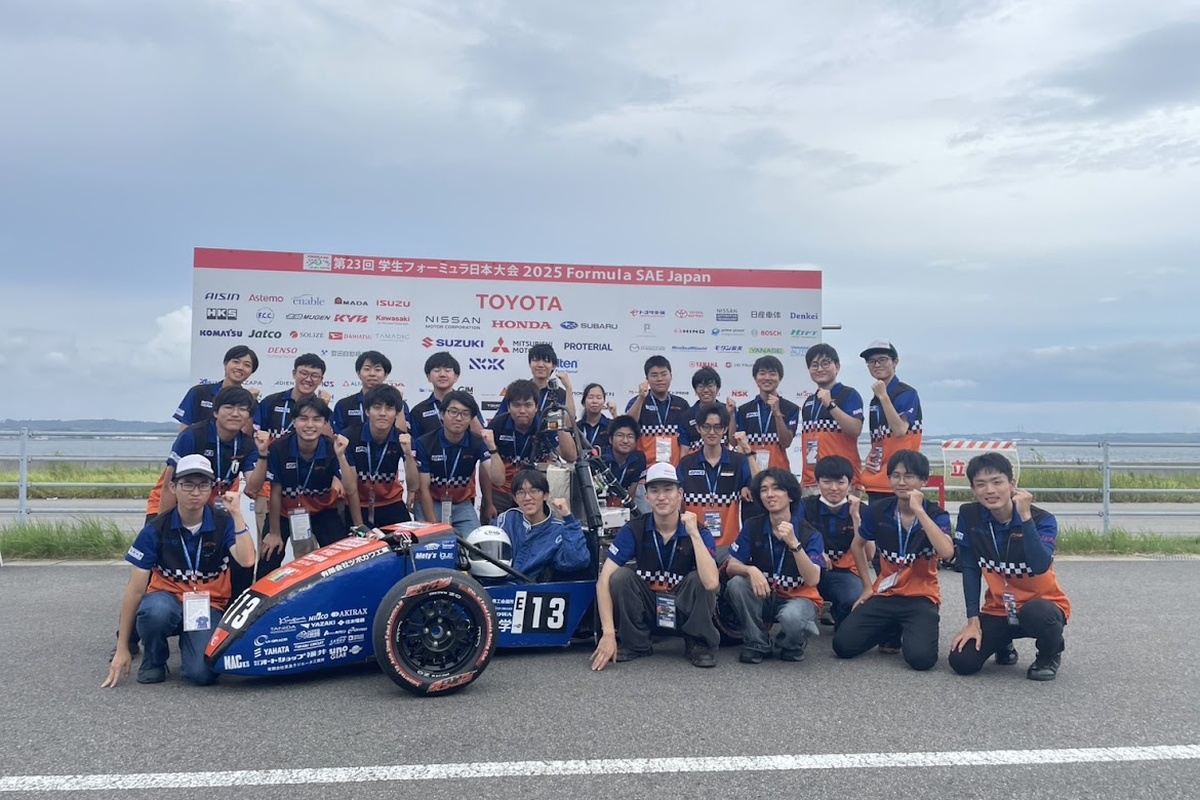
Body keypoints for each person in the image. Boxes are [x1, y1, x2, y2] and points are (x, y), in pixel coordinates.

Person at [102, 456, 256, 687]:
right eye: (188, 485)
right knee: (155, 611)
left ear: (211, 489)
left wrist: (237, 514)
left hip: (208, 605)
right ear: (173, 487)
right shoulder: (156, 529)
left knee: (202, 675)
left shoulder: (224, 522)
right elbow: (134, 592)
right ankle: (154, 660)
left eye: (203, 485)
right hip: (167, 599)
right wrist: (122, 647)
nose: (195, 492)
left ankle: (191, 643)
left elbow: (247, 560)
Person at [948, 453, 1072, 681]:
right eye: (981, 484)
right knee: (962, 661)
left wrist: (1025, 517)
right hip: (999, 608)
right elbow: (970, 568)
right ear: (973, 489)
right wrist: (973, 620)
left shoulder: (1042, 520)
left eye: (997, 482)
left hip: (1042, 606)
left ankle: (1049, 655)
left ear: (1012, 484)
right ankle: (1002, 642)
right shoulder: (969, 515)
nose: (990, 490)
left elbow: (1040, 565)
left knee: (1038, 614)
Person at [590, 462, 721, 669]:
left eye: (668, 490)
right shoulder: (634, 529)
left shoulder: (700, 531)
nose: (661, 497)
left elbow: (712, 583)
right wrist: (608, 634)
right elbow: (603, 581)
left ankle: (698, 641)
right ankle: (636, 643)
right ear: (647, 497)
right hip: (650, 608)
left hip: (683, 609)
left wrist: (694, 534)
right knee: (620, 576)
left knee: (700, 578)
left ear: (680, 494)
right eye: (654, 491)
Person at [832, 451, 954, 671]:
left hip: (921, 596)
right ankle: (891, 626)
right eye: (895, 476)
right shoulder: (879, 510)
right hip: (886, 593)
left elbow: (946, 552)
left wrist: (919, 511)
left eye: (909, 476)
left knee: (921, 660)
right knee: (843, 645)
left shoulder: (936, 514)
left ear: (924, 480)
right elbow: (857, 545)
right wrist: (867, 587)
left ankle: (906, 626)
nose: (901, 482)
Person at [725, 468, 826, 663]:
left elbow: (813, 579)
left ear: (790, 496)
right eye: (764, 490)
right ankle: (757, 642)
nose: (770, 494)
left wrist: (794, 544)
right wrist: (750, 570)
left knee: (793, 617)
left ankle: (790, 643)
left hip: (798, 598)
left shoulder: (810, 534)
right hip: (765, 595)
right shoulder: (752, 526)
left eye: (777, 488)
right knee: (736, 584)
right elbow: (731, 566)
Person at [260, 397, 362, 575]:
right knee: (268, 557)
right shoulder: (279, 448)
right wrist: (274, 533)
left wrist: (341, 456)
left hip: (323, 511)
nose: (310, 425)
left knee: (342, 561)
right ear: (294, 422)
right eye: (303, 419)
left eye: (316, 419)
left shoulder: (333, 448)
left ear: (325, 423)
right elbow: (275, 491)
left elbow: (351, 488)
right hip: (285, 512)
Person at [252, 354, 333, 541]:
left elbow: (329, 444)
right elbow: (252, 436)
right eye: (304, 373)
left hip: (307, 489)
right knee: (269, 546)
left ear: (321, 380)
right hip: (270, 486)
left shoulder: (323, 408)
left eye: (314, 375)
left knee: (306, 552)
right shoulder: (271, 402)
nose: (308, 379)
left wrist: (324, 407)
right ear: (294, 373)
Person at [413, 390, 504, 537]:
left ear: (471, 418)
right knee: (433, 543)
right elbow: (423, 488)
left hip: (462, 505)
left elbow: (499, 480)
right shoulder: (424, 443)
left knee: (476, 544)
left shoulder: (477, 442)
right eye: (453, 412)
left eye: (465, 414)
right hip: (432, 502)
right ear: (442, 414)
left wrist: (492, 448)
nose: (459, 418)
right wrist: (434, 527)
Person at [488, 379, 578, 517]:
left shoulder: (545, 423)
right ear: (508, 407)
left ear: (536, 407)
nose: (522, 411)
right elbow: (489, 469)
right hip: (502, 493)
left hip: (534, 495)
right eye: (516, 405)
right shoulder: (497, 425)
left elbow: (570, 456)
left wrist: (560, 426)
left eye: (528, 405)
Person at [675, 404, 756, 548]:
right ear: (698, 429)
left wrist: (748, 451)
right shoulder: (686, 463)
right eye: (706, 427)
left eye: (717, 427)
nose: (712, 432)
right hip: (694, 543)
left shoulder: (738, 461)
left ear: (725, 430)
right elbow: (676, 500)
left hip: (729, 544)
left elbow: (758, 486)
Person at [802, 455, 865, 629]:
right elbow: (794, 537)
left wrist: (856, 517)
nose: (834, 488)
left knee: (853, 596)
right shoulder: (804, 506)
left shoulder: (861, 509)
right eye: (827, 482)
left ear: (850, 484)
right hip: (807, 570)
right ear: (817, 482)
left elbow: (870, 554)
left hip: (844, 573)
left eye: (840, 482)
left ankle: (840, 619)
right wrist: (818, 554)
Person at [492, 469, 590, 581]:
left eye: (533, 491)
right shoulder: (507, 519)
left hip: (533, 588)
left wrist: (568, 517)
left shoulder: (559, 530)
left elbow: (578, 561)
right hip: (498, 585)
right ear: (515, 498)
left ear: (545, 495)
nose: (527, 498)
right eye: (521, 492)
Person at [343, 385, 418, 528]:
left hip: (390, 502)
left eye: (389, 409)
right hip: (358, 503)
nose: (383, 413)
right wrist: (360, 526)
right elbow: (351, 489)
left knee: (408, 539)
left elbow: (414, 485)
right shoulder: (350, 437)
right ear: (367, 411)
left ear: (397, 413)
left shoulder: (402, 438)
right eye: (377, 408)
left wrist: (408, 454)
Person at [859, 341, 923, 503]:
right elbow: (880, 439)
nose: (877, 365)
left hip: (899, 483)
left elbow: (900, 430)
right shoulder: (875, 400)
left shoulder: (906, 393)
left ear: (895, 362)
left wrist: (883, 396)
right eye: (871, 361)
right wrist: (871, 456)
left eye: (882, 359)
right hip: (876, 481)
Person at [799, 345, 864, 495]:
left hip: (840, 481)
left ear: (837, 367)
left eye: (825, 364)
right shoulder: (809, 401)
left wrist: (830, 405)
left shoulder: (848, 394)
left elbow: (855, 429)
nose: (820, 369)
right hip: (811, 482)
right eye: (814, 365)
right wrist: (804, 481)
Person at [172, 345, 260, 428]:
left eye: (247, 365)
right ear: (225, 364)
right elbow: (185, 429)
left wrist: (248, 402)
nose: (240, 367)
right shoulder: (199, 392)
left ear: (251, 372)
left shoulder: (251, 401)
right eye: (236, 362)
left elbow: (247, 434)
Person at [626, 356, 691, 466]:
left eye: (664, 374)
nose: (660, 379)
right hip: (644, 469)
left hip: (673, 469)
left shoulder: (682, 404)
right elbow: (628, 424)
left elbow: (687, 440)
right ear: (647, 379)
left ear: (671, 376)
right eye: (654, 375)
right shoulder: (638, 401)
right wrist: (641, 398)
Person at [332, 350, 410, 435]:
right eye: (367, 369)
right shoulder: (344, 405)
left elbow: (402, 434)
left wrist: (399, 402)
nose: (372, 374)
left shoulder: (397, 403)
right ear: (358, 373)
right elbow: (337, 435)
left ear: (385, 375)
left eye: (377, 370)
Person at [409, 351, 482, 439]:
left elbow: (481, 437)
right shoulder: (418, 411)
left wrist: (470, 409)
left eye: (447, 370)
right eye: (437, 370)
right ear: (428, 377)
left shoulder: (468, 404)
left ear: (456, 377)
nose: (442, 375)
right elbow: (414, 442)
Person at [495, 343, 575, 420]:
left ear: (553, 366)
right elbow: (498, 420)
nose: (540, 365)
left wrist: (568, 388)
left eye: (546, 361)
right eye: (536, 360)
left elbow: (570, 423)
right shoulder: (517, 390)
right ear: (530, 364)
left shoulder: (560, 394)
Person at [600, 415, 649, 512]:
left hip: (625, 501)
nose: (625, 441)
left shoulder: (639, 458)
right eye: (620, 435)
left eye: (630, 436)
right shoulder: (600, 457)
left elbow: (633, 491)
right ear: (610, 439)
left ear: (636, 441)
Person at [678, 367, 727, 453]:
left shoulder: (727, 411)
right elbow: (684, 449)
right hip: (695, 460)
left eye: (710, 386)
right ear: (695, 390)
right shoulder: (686, 416)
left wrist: (732, 415)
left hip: (723, 460)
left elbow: (734, 441)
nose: (706, 390)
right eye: (701, 386)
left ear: (718, 388)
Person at [577, 382, 618, 454]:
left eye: (599, 398)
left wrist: (615, 414)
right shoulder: (577, 427)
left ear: (604, 401)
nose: (595, 401)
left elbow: (620, 442)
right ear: (584, 402)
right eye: (590, 397)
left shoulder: (611, 425)